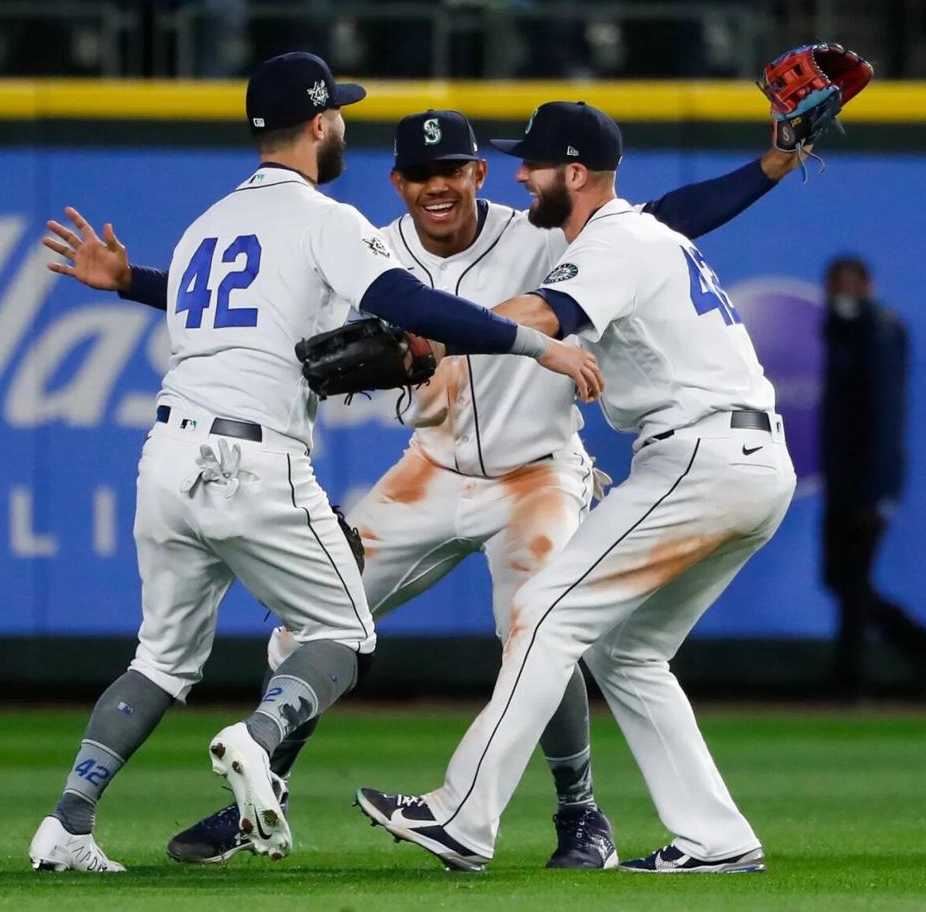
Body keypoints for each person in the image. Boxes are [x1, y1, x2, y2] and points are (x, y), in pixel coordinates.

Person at [44, 109, 803, 868]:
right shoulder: (371, 250)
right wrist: (132, 283)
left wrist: (767, 168)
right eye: (421, 174)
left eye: (458, 170)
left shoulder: (549, 233)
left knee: (536, 624)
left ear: (476, 174)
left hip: (539, 469)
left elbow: (660, 220)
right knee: (307, 631)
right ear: (400, 183)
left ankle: (578, 815)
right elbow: (264, 311)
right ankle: (261, 787)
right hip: (432, 471)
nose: (442, 185)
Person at [26, 52, 601, 874]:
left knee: (161, 656)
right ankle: (258, 745)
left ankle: (68, 824)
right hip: (258, 455)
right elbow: (403, 304)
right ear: (325, 123)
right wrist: (531, 342)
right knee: (341, 631)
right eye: (344, 118)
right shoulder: (327, 219)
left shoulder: (207, 225)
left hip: (167, 458)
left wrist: (128, 282)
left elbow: (249, 302)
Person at [354, 100, 795, 874]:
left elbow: (543, 313)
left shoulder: (613, 240)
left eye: (534, 162)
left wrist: (429, 336)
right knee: (625, 654)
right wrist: (774, 164)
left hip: (699, 456)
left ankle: (461, 815)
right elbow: (683, 212)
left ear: (577, 174)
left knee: (543, 611)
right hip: (749, 462)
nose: (520, 174)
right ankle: (717, 838)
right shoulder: (637, 234)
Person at [821, 255, 926, 697]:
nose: (840, 296)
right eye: (835, 286)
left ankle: (852, 676)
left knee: (851, 582)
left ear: (869, 286)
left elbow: (884, 418)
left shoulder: (879, 333)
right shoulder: (843, 333)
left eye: (849, 286)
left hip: (866, 484)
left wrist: (876, 493)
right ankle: (916, 647)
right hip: (843, 479)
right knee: (841, 579)